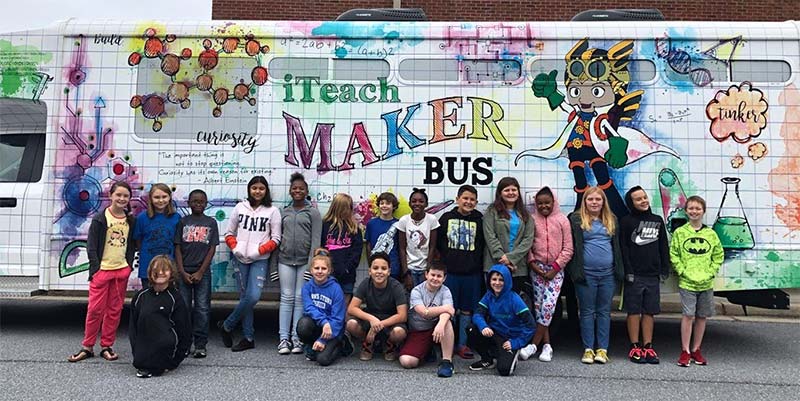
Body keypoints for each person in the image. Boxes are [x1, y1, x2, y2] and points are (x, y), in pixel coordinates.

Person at [68, 181, 137, 363]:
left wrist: (128, 266)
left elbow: (131, 245)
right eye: (119, 195)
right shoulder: (101, 218)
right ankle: (87, 346)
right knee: (95, 310)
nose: (122, 199)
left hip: (120, 271)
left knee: (114, 310)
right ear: (111, 195)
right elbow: (91, 246)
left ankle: (106, 345)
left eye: (126, 196)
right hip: (102, 271)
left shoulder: (130, 220)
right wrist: (96, 269)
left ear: (129, 199)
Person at [219, 176, 281, 352]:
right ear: (249, 189)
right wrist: (235, 248)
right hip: (240, 258)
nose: (258, 191)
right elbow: (229, 233)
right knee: (245, 297)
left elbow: (276, 239)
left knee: (253, 297)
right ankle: (248, 337)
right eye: (254, 188)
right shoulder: (240, 208)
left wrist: (259, 251)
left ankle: (227, 325)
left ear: (266, 190)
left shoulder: (272, 211)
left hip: (259, 259)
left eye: (261, 188)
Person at [566, 186, 624, 364]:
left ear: (603, 202)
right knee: (587, 311)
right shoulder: (576, 219)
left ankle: (602, 349)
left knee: (604, 311)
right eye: (590, 199)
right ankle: (588, 349)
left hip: (608, 274)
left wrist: (619, 270)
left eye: (598, 199)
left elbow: (617, 246)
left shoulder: (611, 219)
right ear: (584, 201)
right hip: (586, 274)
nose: (594, 202)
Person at [519, 186, 573, 362]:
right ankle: (547, 346)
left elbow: (568, 248)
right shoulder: (531, 220)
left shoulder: (562, 220)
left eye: (547, 202)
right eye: (540, 203)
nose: (544, 206)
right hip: (537, 269)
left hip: (555, 271)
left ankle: (533, 345)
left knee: (549, 306)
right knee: (539, 307)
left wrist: (555, 268)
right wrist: (533, 264)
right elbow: (527, 245)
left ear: (553, 202)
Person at [670, 195, 723, 367]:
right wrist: (682, 271)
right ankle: (685, 350)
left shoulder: (710, 234)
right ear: (686, 211)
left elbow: (718, 255)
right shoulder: (680, 233)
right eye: (691, 208)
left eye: (698, 208)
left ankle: (696, 349)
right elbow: (674, 254)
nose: (694, 211)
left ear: (703, 211)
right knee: (688, 315)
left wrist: (711, 272)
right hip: (687, 282)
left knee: (702, 316)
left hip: (706, 283)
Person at [620, 186, 670, 364]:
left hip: (652, 275)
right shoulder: (626, 222)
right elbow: (624, 249)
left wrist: (665, 267)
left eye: (644, 197)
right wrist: (628, 271)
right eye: (638, 199)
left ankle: (648, 346)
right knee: (634, 311)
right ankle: (635, 346)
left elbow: (663, 245)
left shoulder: (657, 221)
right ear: (631, 203)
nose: (643, 201)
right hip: (635, 275)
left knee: (649, 311)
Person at [275, 173, 322, 355]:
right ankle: (283, 339)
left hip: (304, 262)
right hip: (285, 261)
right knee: (286, 297)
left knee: (299, 297)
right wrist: (274, 266)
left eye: (301, 188)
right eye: (294, 188)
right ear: (290, 191)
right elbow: (277, 240)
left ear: (306, 191)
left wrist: (312, 265)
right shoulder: (283, 212)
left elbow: (316, 241)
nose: (297, 191)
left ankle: (297, 338)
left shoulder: (313, 213)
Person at [437, 184, 484, 360]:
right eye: (465, 198)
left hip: (471, 274)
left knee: (467, 311)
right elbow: (439, 244)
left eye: (472, 199)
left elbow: (482, 244)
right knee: (449, 310)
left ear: (476, 202)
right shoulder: (446, 218)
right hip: (451, 273)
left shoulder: (480, 219)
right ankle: (447, 342)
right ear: (457, 199)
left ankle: (463, 344)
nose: (468, 202)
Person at [129, 255, 192, 378]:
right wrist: (136, 352)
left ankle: (159, 363)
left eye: (165, 270)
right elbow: (133, 329)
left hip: (167, 353)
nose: (160, 273)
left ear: (171, 273)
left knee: (158, 370)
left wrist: (176, 360)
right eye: (156, 270)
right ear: (150, 272)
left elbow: (184, 330)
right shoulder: (140, 297)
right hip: (142, 354)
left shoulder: (176, 298)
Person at [174, 189, 219, 359]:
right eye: (195, 201)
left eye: (201, 202)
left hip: (203, 272)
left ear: (206, 204)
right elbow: (177, 247)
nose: (198, 204)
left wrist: (201, 271)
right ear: (189, 203)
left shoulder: (211, 222)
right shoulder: (182, 222)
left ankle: (200, 344)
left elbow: (212, 248)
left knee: (202, 308)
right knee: (184, 309)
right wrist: (181, 271)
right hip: (184, 271)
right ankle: (185, 343)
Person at [467, 264, 535, 376]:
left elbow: (530, 325)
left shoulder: (515, 300)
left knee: (504, 370)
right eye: (494, 279)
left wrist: (516, 342)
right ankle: (487, 360)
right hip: (495, 333)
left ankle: (512, 352)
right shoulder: (489, 295)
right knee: (471, 329)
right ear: (489, 280)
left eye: (501, 280)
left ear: (507, 281)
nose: (497, 283)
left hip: (510, 338)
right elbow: (478, 314)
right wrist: (484, 326)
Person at [346, 252, 408, 362]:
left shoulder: (396, 286)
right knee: (351, 324)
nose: (379, 272)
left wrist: (379, 325)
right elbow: (352, 308)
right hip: (371, 319)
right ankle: (368, 343)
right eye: (375, 268)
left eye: (383, 268)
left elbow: (402, 315)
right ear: (370, 271)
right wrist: (372, 319)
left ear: (389, 271)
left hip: (390, 321)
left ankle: (389, 344)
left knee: (399, 332)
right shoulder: (366, 283)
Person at [398, 262, 456, 378]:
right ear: (426, 275)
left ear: (444, 278)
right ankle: (427, 351)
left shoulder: (446, 291)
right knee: (407, 361)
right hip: (419, 330)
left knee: (446, 322)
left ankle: (447, 363)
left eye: (439, 276)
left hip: (438, 329)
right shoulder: (416, 291)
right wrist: (445, 308)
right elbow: (423, 312)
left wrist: (440, 324)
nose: (435, 279)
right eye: (432, 275)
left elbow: (449, 313)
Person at [297, 248, 353, 366]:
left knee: (322, 360)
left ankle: (341, 344)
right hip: (320, 325)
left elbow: (338, 319)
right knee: (303, 325)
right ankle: (311, 345)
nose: (320, 271)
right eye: (317, 268)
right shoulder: (307, 287)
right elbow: (309, 308)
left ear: (329, 271)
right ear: (311, 270)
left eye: (324, 268)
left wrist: (323, 339)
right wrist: (324, 323)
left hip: (334, 329)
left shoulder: (336, 289)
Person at [483, 177, 535, 296]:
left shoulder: (525, 215)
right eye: (507, 190)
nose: (511, 193)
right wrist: (503, 259)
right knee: (494, 302)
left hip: (517, 268)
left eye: (514, 190)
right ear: (500, 193)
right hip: (495, 265)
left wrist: (511, 259)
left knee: (514, 303)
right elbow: (490, 236)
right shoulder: (492, 212)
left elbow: (528, 240)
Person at [132, 183, 180, 288]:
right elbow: (138, 241)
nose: (161, 200)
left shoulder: (176, 217)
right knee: (149, 300)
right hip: (147, 267)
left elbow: (178, 243)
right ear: (151, 199)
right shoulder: (142, 218)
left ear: (169, 198)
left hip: (168, 268)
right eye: (157, 197)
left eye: (164, 197)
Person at [321, 193, 363, 303]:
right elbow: (321, 248)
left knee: (344, 306)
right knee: (328, 303)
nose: (349, 210)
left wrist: (347, 269)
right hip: (328, 274)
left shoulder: (354, 229)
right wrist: (327, 268)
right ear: (338, 207)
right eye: (347, 207)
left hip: (347, 275)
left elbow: (356, 252)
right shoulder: (325, 226)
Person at [397, 188, 439, 288]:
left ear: (426, 204)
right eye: (414, 201)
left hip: (425, 268)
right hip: (409, 269)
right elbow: (402, 248)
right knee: (410, 298)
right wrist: (406, 273)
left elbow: (432, 246)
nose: (417, 204)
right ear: (409, 203)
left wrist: (428, 271)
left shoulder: (431, 220)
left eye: (421, 201)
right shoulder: (404, 220)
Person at [365, 192, 401, 280]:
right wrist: (371, 262)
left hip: (393, 268)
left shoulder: (399, 224)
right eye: (382, 203)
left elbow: (401, 247)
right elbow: (368, 245)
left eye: (388, 203)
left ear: (394, 206)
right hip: (376, 267)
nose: (384, 206)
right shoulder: (371, 223)